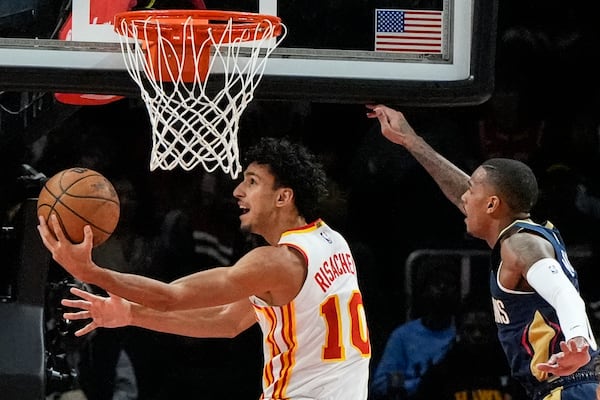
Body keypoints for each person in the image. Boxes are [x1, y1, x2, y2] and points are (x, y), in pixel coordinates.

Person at [37, 136, 372, 400]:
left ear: (283, 197)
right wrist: (129, 314)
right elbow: (227, 321)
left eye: (252, 182)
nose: (238, 191)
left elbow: (172, 296)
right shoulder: (331, 240)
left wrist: (90, 271)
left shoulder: (276, 262)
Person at [366, 104, 599, 400]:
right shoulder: (518, 232)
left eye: (472, 190)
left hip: (569, 387)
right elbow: (462, 189)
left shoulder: (521, 245)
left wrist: (577, 340)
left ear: (491, 205)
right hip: (564, 385)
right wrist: (411, 141)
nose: (464, 196)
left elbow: (564, 293)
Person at [413, 294, 528, 400]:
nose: (477, 335)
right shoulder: (440, 375)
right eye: (470, 329)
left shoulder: (514, 371)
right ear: (459, 331)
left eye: (484, 329)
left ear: (495, 331)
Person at [370, 266, 460, 399]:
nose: (442, 288)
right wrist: (422, 385)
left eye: (449, 284)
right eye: (436, 284)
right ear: (423, 292)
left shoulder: (465, 333)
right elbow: (380, 383)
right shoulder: (402, 335)